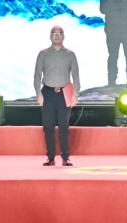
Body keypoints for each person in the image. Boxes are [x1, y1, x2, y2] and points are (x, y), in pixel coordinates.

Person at [34, 25, 81, 166]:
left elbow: (76, 76)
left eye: (60, 33)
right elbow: (37, 75)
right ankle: (50, 158)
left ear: (63, 36)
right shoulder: (43, 54)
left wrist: (76, 94)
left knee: (64, 126)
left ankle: (66, 157)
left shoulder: (70, 54)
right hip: (47, 93)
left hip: (65, 92)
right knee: (48, 126)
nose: (56, 35)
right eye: (53, 33)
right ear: (50, 36)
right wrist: (38, 93)